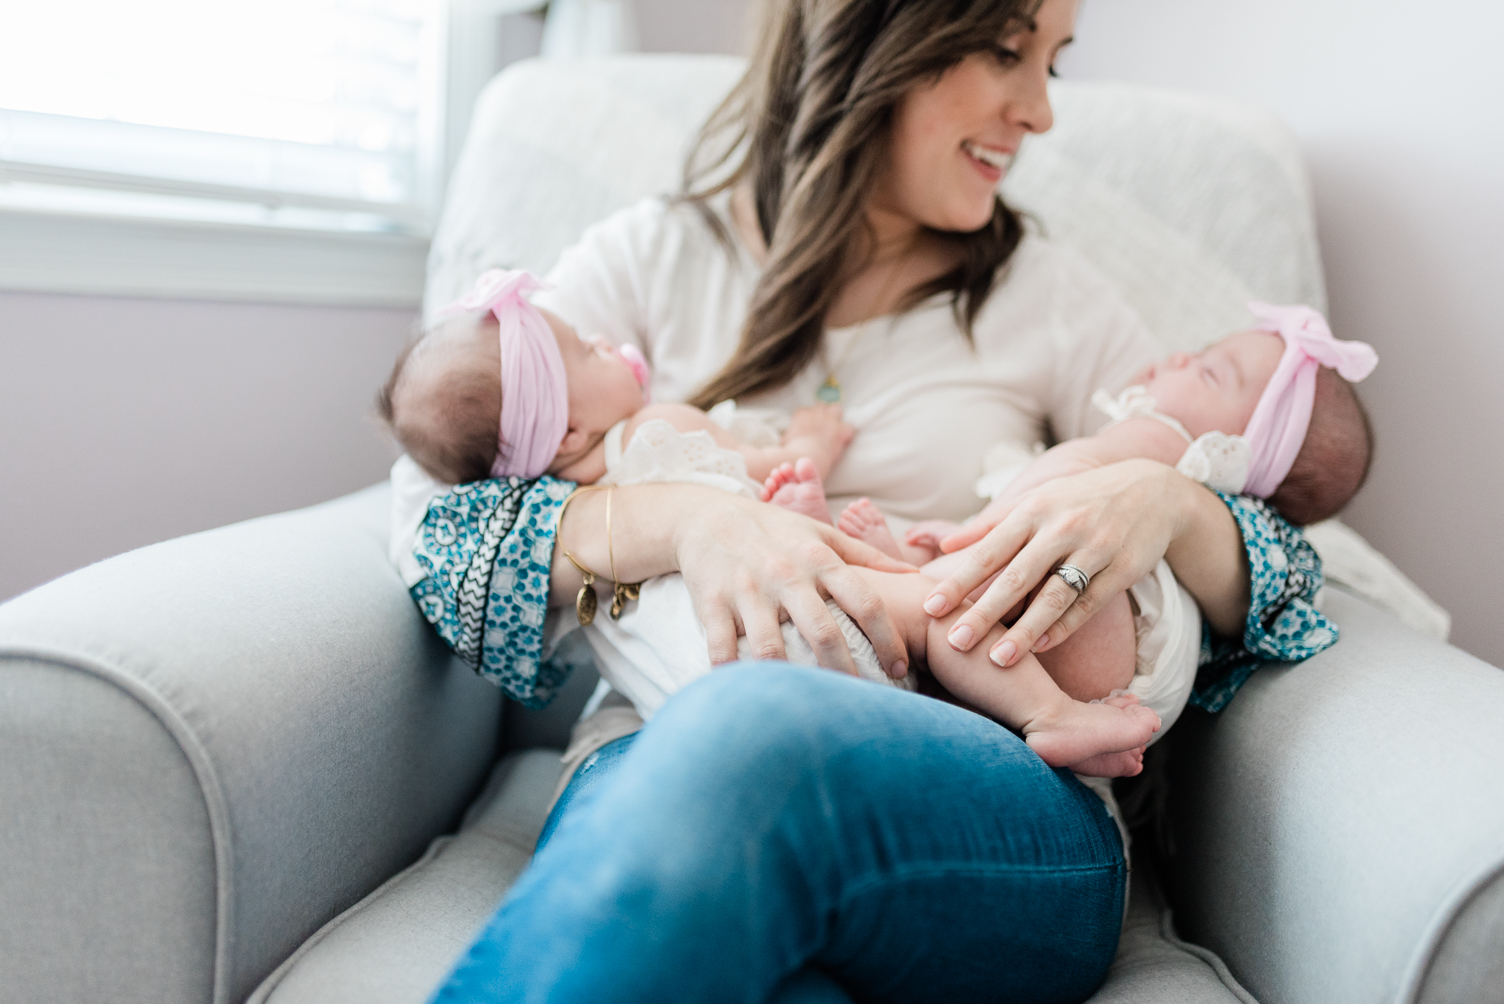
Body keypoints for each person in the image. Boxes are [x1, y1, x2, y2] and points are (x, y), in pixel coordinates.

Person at [387, 0, 1342, 999]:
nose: (1039, 114)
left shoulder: (1050, 298)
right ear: (873, 35)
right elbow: (432, 519)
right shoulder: (649, 262)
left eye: (1051, 65)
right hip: (655, 761)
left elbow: (1289, 525)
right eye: (1006, 52)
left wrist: (1168, 505)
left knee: (754, 728)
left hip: (990, 793)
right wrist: (694, 521)